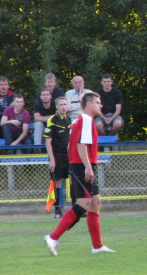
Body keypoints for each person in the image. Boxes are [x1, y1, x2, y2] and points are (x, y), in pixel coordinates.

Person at [44, 92, 115, 256]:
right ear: (89, 105)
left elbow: (71, 145)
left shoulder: (78, 120)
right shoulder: (87, 120)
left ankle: (97, 246)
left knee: (95, 202)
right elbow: (81, 144)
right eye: (98, 102)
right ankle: (53, 237)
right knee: (84, 204)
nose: (100, 105)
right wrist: (87, 167)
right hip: (82, 166)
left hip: (79, 165)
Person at [43, 97, 71, 219]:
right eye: (61, 105)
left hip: (68, 155)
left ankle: (76, 207)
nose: (63, 107)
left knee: (72, 179)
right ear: (56, 107)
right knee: (57, 181)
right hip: (57, 155)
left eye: (65, 104)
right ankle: (57, 209)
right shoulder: (52, 120)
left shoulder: (69, 119)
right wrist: (52, 159)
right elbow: (48, 142)